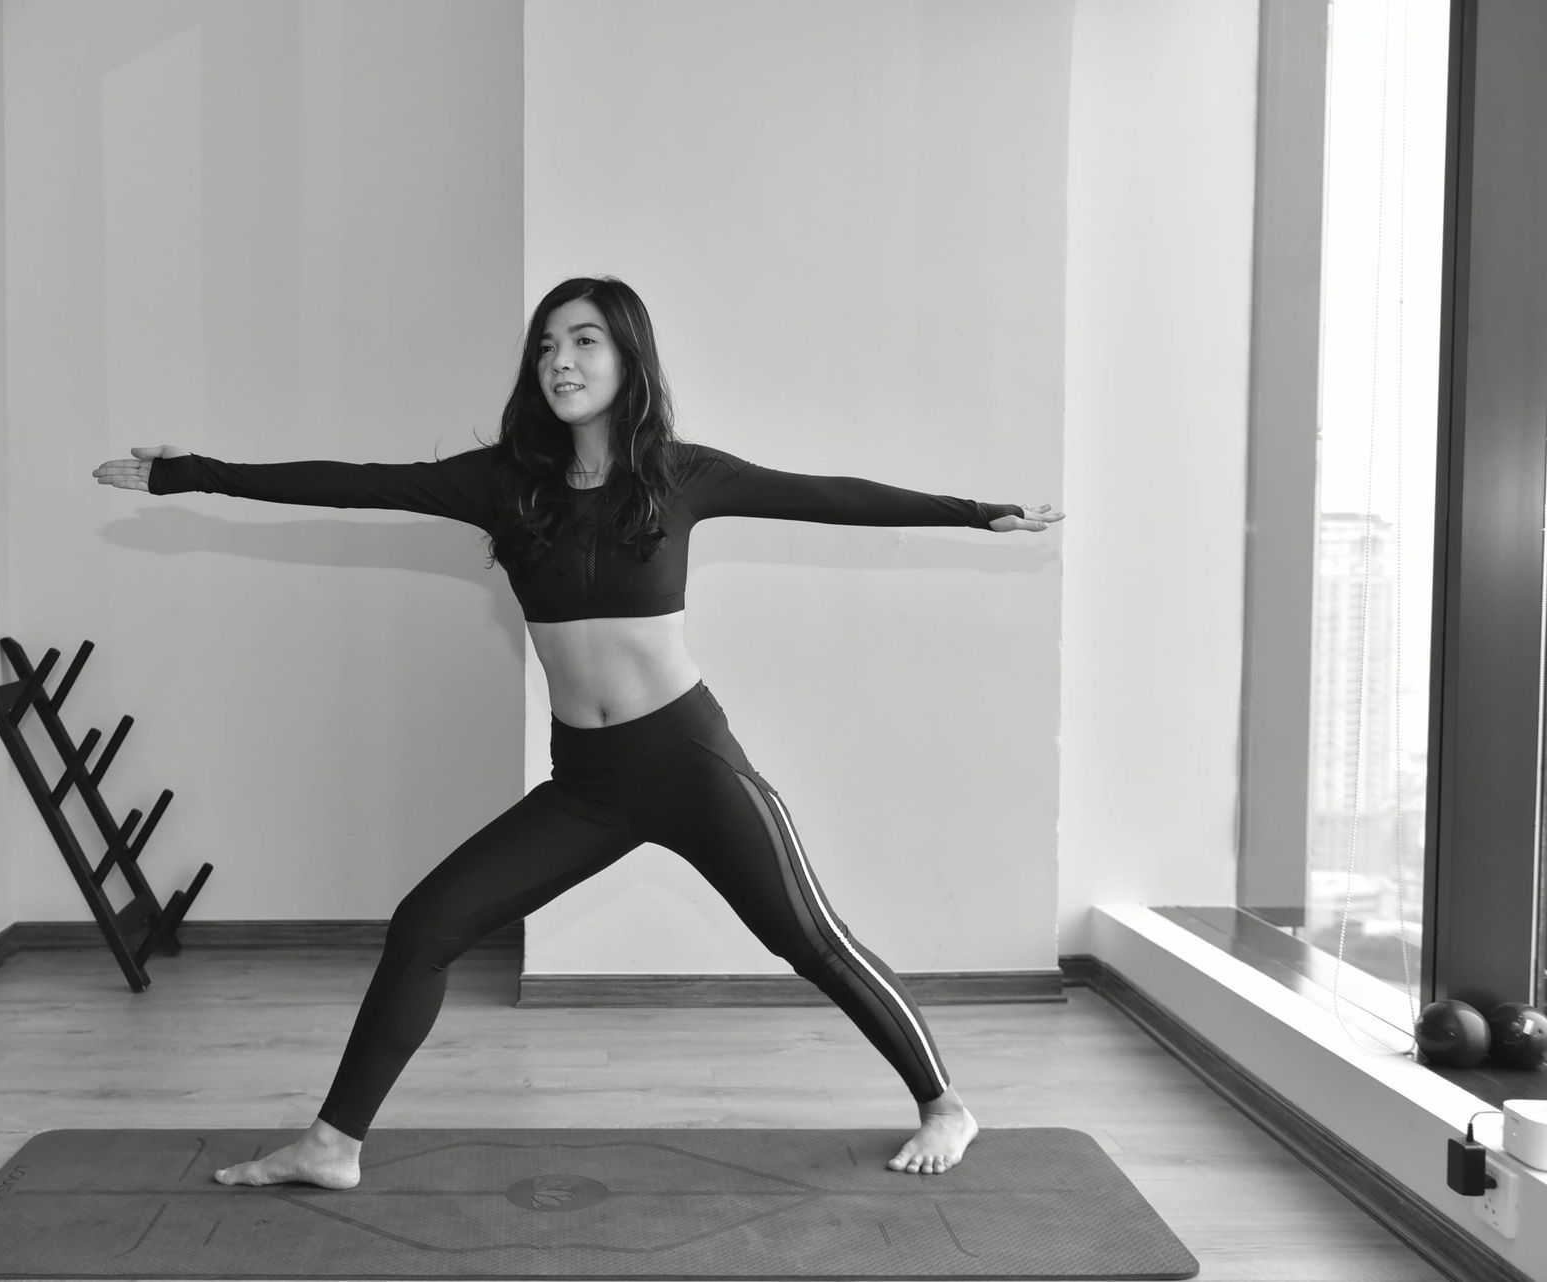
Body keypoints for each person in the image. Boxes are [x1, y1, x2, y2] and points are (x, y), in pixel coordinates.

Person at [91, 275, 1064, 1191]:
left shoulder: (684, 476)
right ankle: (331, 1143)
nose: (561, 360)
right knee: (427, 926)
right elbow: (356, 482)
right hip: (588, 780)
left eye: (585, 341)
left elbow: (833, 496)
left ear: (627, 360)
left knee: (810, 937)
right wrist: (191, 472)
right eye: (548, 345)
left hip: (688, 759)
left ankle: (947, 1104)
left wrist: (977, 514)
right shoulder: (503, 485)